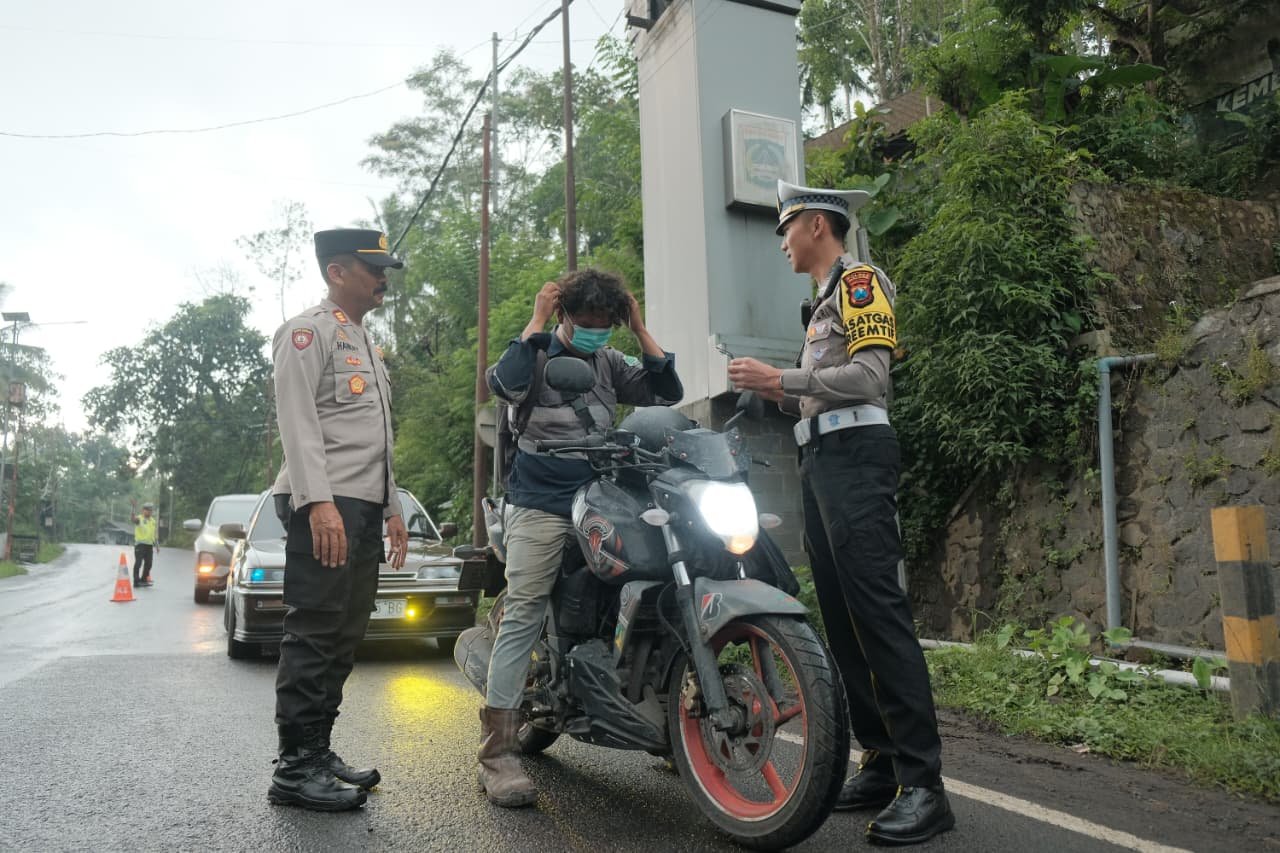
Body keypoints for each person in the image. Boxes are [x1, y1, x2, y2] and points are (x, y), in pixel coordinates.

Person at [727, 181, 954, 845]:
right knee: (845, 621)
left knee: (879, 613)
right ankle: (881, 761)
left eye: (786, 226)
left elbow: (869, 379)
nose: (781, 239)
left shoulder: (860, 281)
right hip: (821, 460)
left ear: (818, 224)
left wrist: (781, 378)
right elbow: (817, 394)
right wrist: (772, 395)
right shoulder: (819, 306)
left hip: (857, 455)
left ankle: (925, 786)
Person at [479, 268, 683, 807]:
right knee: (524, 608)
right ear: (566, 314)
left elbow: (666, 392)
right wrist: (537, 321)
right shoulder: (538, 352)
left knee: (656, 589)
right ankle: (496, 755)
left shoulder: (611, 361)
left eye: (604, 324)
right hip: (541, 501)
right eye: (585, 323)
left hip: (606, 497)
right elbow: (501, 384)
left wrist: (639, 329)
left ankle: (673, 727)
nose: (595, 332)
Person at [267, 228, 410, 812]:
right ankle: (293, 769)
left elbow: (377, 441)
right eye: (373, 270)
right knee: (315, 631)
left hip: (362, 505)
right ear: (337, 272)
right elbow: (297, 422)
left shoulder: (366, 346)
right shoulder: (308, 332)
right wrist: (316, 501)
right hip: (322, 503)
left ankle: (317, 750)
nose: (383, 280)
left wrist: (393, 507)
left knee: (346, 634)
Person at [131, 502, 158, 587]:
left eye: (151, 510)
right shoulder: (140, 519)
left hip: (149, 545)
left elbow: (154, 534)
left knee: (149, 564)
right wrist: (133, 508)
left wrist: (157, 545)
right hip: (140, 545)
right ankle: (136, 581)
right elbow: (133, 519)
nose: (149, 512)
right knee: (138, 563)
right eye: (147, 510)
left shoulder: (153, 521)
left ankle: (143, 579)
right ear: (143, 510)